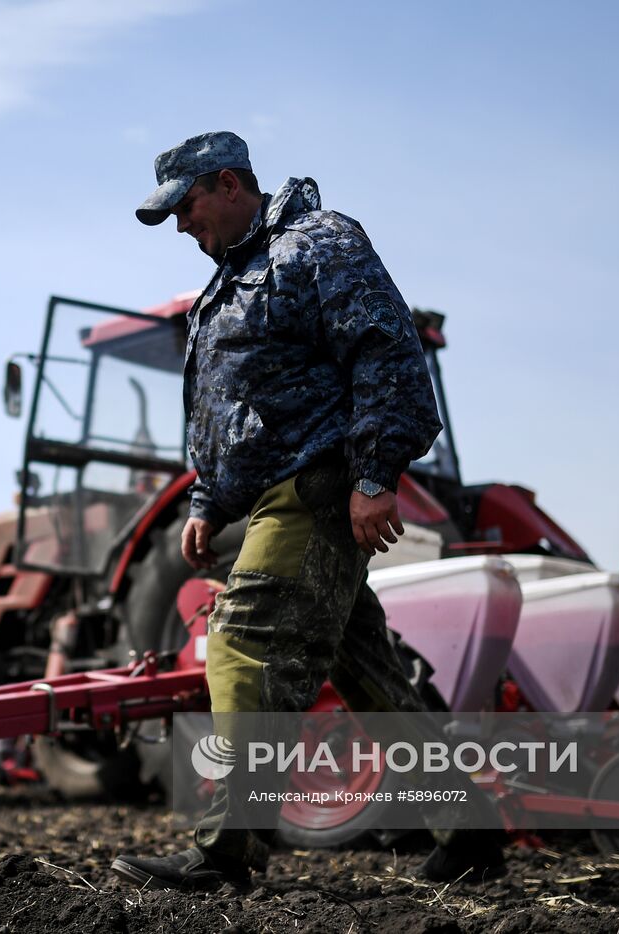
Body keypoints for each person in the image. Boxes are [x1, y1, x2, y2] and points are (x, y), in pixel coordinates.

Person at [110, 131, 504, 889]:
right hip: (265, 497)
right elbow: (233, 408)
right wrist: (208, 499)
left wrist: (374, 473)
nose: (184, 228)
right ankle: (472, 832)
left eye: (186, 208)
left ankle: (227, 853)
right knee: (367, 674)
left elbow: (384, 349)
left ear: (229, 184)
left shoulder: (316, 243)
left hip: (315, 490)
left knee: (243, 644)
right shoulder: (229, 280)